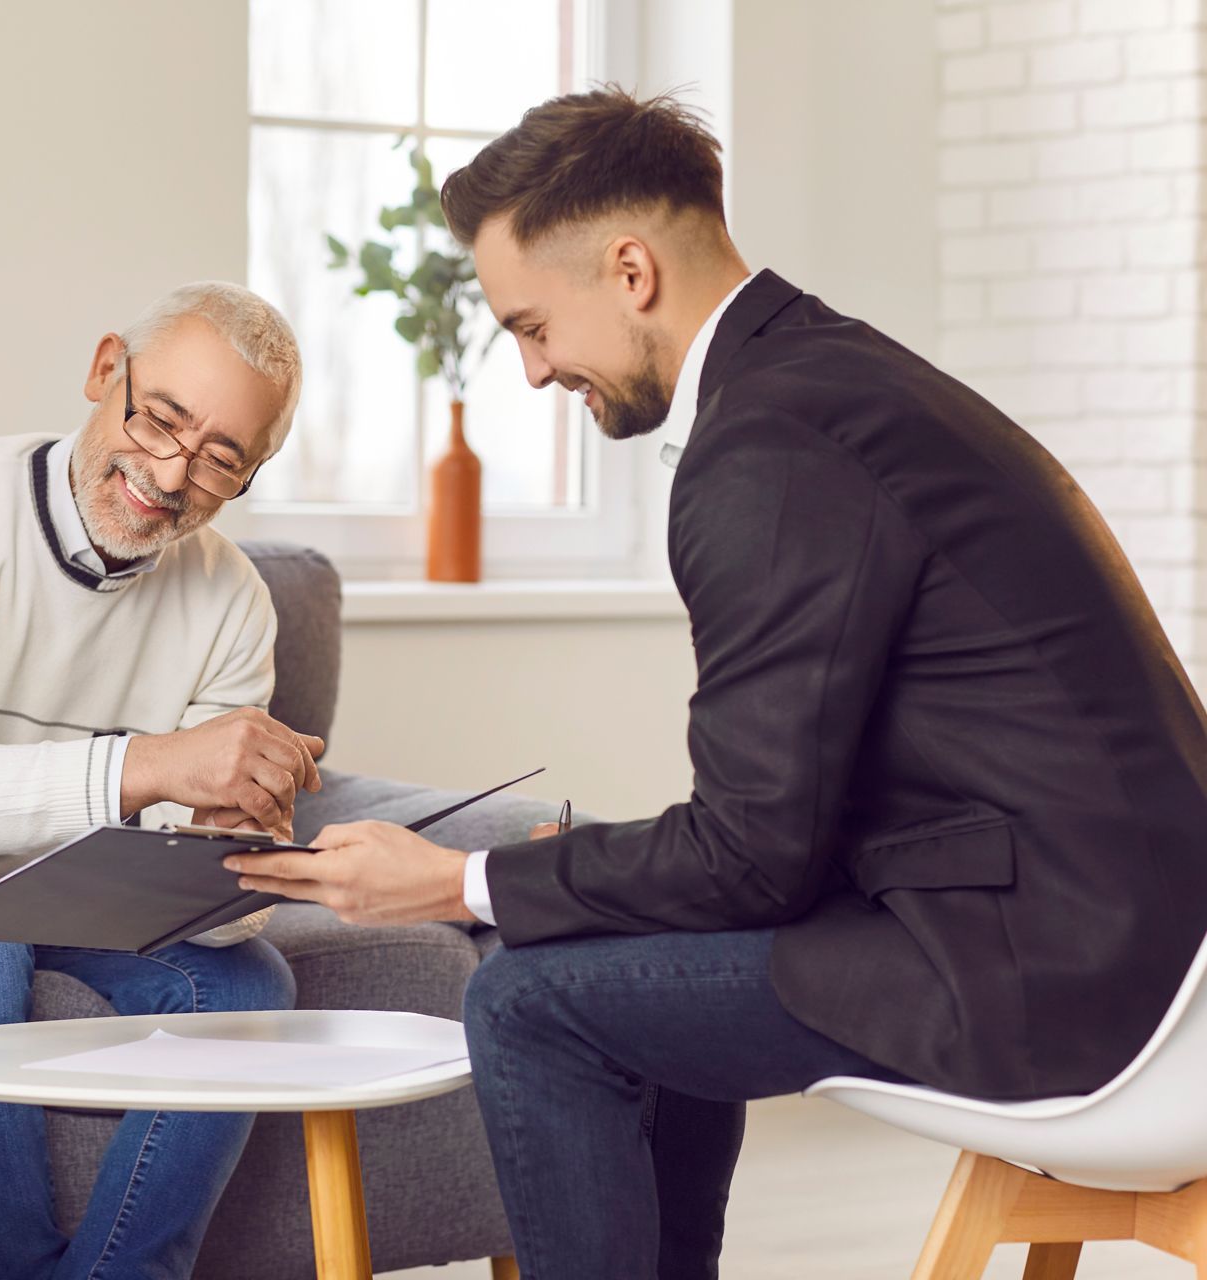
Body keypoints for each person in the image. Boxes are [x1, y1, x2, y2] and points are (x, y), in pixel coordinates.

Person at [225, 89, 1207, 1277]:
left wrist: (456, 879)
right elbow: (779, 825)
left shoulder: (772, 441)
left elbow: (752, 857)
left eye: (533, 325)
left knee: (531, 1005)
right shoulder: (831, 378)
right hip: (1108, 926)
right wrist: (554, 876)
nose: (534, 371)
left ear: (630, 269)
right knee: (595, 954)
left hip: (1071, 975)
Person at [0, 281, 317, 1278]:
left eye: (222, 457)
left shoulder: (235, 601)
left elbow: (198, 901)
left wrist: (241, 857)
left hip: (74, 889)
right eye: (160, 416)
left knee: (245, 981)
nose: (170, 471)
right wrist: (153, 765)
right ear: (106, 370)